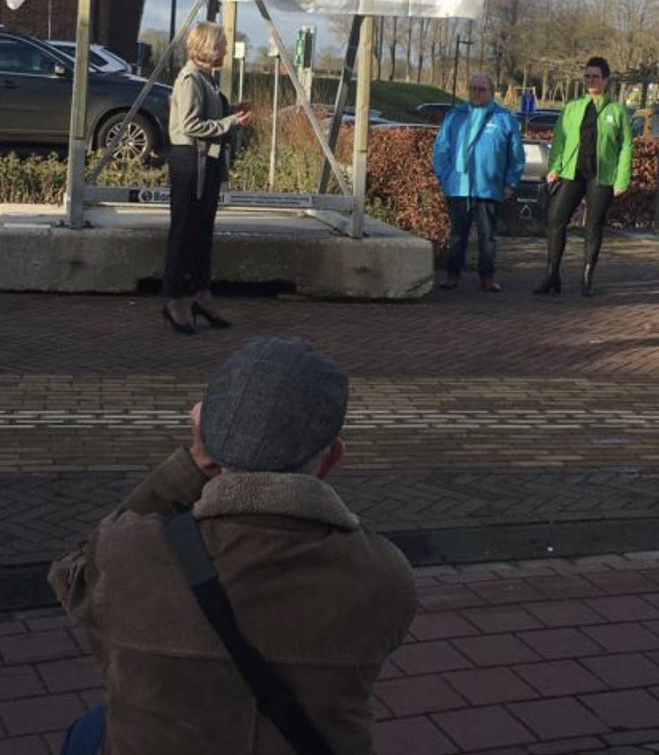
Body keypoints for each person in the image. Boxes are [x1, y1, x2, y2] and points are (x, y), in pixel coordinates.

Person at [50, 337, 417, 755]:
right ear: (332, 458)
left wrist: (190, 466)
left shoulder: (128, 551)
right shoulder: (384, 576)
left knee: (90, 729)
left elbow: (70, 576)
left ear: (206, 440)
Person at [162, 21, 250, 334]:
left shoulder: (206, 79)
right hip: (190, 162)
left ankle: (201, 295)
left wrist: (232, 112)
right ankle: (174, 298)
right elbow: (189, 125)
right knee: (184, 231)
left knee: (202, 232)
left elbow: (205, 117)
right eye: (223, 44)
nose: (226, 49)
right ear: (210, 47)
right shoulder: (190, 79)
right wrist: (230, 123)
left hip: (205, 162)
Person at [534, 56, 633, 297]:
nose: (590, 80)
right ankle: (551, 274)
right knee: (555, 219)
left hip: (601, 175)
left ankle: (587, 277)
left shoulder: (617, 110)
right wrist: (555, 167)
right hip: (573, 172)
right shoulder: (573, 107)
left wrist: (622, 179)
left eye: (595, 77)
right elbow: (559, 139)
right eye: (587, 76)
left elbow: (626, 146)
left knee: (593, 225)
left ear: (605, 80)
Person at [434, 72, 525, 292]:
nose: (476, 93)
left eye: (481, 89)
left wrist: (510, 183)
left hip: (489, 187)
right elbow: (441, 148)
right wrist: (444, 175)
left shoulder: (504, 119)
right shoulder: (455, 116)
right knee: (457, 234)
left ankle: (487, 277)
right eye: (473, 89)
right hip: (459, 186)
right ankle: (452, 274)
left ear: (491, 92)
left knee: (487, 236)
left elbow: (516, 154)